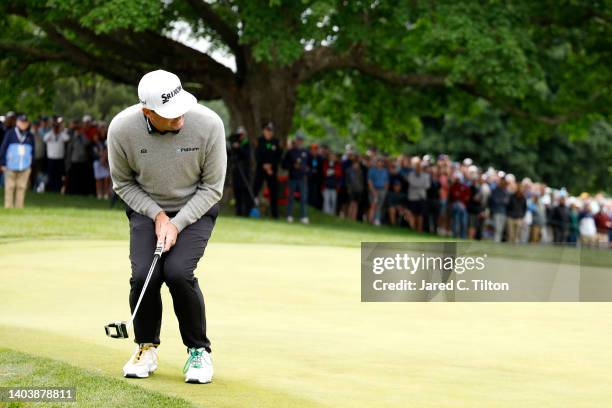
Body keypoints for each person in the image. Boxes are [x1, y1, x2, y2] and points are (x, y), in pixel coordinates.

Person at [107, 69, 226, 384]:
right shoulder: (121, 129)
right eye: (169, 115)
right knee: (144, 274)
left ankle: (199, 351)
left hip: (197, 208)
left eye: (180, 109)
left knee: (177, 274)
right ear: (147, 111)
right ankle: (145, 347)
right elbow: (123, 184)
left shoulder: (209, 124)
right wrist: (158, 216)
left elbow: (213, 188)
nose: (179, 118)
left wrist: (178, 222)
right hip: (146, 208)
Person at [0, 114, 35, 208]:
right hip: (10, 165)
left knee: (21, 187)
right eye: (21, 122)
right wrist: (2, 163)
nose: (23, 124)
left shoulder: (30, 136)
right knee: (9, 187)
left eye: (25, 123)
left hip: (25, 165)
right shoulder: (10, 133)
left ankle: (19, 206)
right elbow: (3, 149)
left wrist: (31, 164)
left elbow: (33, 151)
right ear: (17, 122)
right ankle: (8, 206)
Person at [253, 122, 282, 218]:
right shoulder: (259, 141)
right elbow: (257, 155)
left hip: (272, 171)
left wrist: (270, 166)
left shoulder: (276, 142)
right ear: (264, 131)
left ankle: (275, 215)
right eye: (267, 130)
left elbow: (278, 157)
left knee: (274, 192)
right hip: (260, 169)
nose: (269, 132)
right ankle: (248, 210)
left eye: (271, 131)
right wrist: (264, 165)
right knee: (254, 189)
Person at [282, 134, 311, 223]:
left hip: (302, 178)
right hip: (292, 177)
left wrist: (307, 170)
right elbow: (284, 165)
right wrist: (293, 166)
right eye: (298, 140)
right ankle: (289, 215)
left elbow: (310, 165)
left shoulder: (306, 152)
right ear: (296, 141)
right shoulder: (290, 152)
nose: (299, 142)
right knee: (291, 197)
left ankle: (304, 216)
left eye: (301, 140)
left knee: (303, 198)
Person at [229, 126, 253, 217]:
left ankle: (246, 212)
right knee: (237, 191)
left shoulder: (246, 144)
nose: (240, 136)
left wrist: (239, 148)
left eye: (242, 134)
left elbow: (247, 156)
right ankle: (238, 211)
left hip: (245, 172)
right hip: (236, 172)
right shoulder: (235, 144)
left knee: (245, 191)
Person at [43, 116, 70, 193]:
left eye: (57, 127)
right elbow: (45, 138)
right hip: (51, 158)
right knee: (51, 175)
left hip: (59, 158)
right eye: (55, 127)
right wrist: (52, 131)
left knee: (59, 176)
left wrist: (60, 131)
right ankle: (51, 189)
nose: (56, 128)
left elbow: (67, 138)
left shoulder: (62, 134)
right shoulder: (49, 134)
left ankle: (58, 189)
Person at [367, 157, 389, 226]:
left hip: (382, 190)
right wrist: (373, 191)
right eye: (378, 162)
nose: (379, 163)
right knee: (373, 205)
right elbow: (370, 182)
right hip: (374, 189)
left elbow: (386, 182)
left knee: (379, 206)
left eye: (381, 162)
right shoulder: (371, 170)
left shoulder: (385, 171)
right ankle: (370, 220)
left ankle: (377, 220)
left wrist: (385, 191)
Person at [92, 123, 111, 199]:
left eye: (104, 128)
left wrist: (104, 157)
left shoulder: (108, 138)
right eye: (101, 128)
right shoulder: (96, 138)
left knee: (107, 178)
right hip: (97, 161)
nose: (102, 129)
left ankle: (106, 194)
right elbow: (93, 150)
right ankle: (99, 194)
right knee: (98, 179)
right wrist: (100, 157)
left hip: (106, 162)